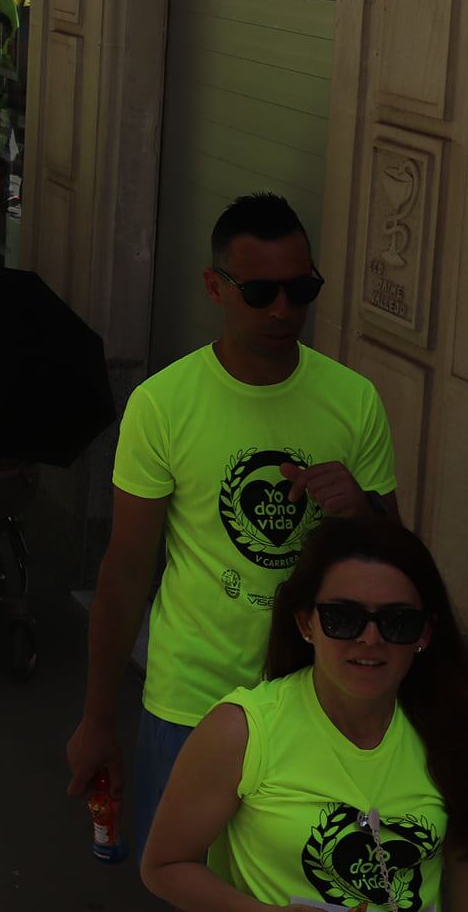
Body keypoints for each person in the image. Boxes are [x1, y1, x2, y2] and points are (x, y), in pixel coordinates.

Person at [66, 192, 400, 854]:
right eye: (261, 291)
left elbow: (395, 566)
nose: (284, 309)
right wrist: (99, 716)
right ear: (215, 287)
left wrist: (361, 509)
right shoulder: (163, 404)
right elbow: (128, 567)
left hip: (320, 699)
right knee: (184, 880)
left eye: (301, 288)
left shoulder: (353, 400)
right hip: (192, 702)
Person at [142, 515, 463, 909]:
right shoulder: (241, 731)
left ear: (425, 634)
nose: (370, 638)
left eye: (397, 622)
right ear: (305, 622)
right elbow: (165, 864)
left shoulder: (450, 728)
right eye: (343, 618)